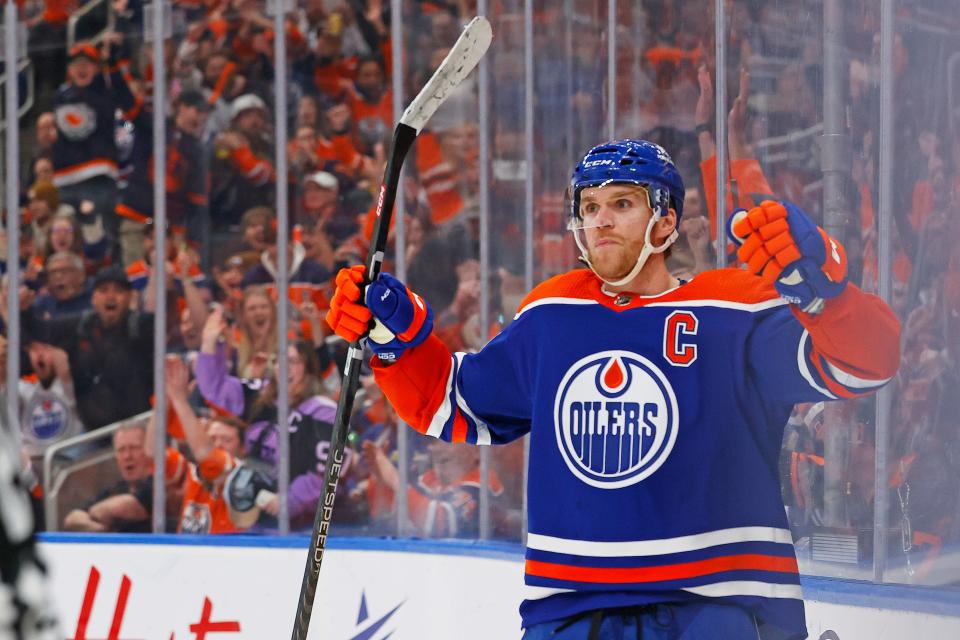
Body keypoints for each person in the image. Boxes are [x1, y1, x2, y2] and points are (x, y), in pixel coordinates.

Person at [327, 139, 902, 639]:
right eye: (590, 206)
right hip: (572, 614)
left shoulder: (733, 308)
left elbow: (865, 365)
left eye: (622, 203)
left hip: (721, 606)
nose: (600, 219)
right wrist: (394, 337)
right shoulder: (554, 311)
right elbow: (446, 403)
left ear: (666, 221)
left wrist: (827, 297)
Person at [195, 307, 351, 530]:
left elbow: (328, 469)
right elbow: (214, 388)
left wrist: (289, 501)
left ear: (308, 370)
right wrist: (210, 343)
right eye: (280, 361)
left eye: (294, 361)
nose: (285, 367)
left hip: (309, 527)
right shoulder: (259, 396)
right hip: (261, 517)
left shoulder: (322, 411)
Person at [21, 264, 154, 430]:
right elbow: (39, 330)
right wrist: (23, 311)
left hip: (137, 429)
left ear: (130, 297)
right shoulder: (81, 326)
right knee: (62, 456)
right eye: (103, 290)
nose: (110, 296)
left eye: (118, 291)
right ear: (93, 298)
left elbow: (166, 322)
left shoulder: (143, 326)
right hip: (91, 434)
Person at [62, 422, 154, 532]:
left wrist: (97, 513)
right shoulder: (116, 489)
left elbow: (128, 505)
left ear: (149, 451)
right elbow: (71, 519)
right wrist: (98, 528)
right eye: (121, 450)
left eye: (134, 448)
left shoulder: (159, 485)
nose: (127, 456)